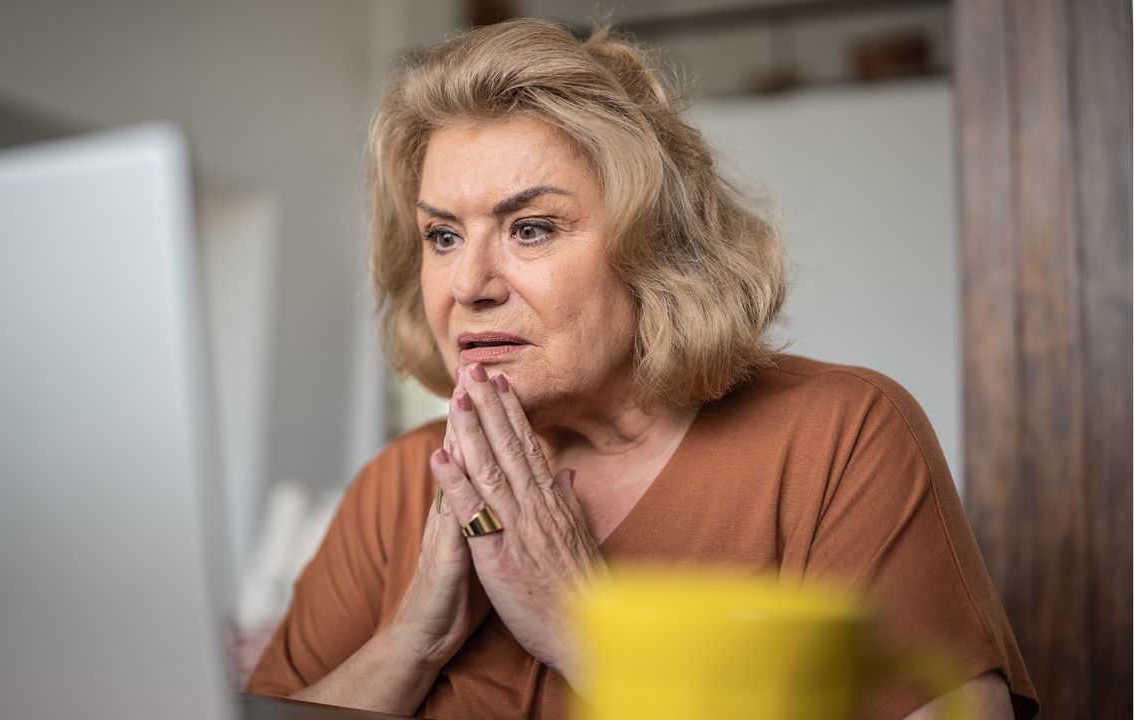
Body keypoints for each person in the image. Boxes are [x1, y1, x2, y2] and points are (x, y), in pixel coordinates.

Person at [247, 18, 1038, 720]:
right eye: (443, 236)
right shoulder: (396, 489)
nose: (467, 285)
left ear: (654, 250)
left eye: (530, 228)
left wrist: (590, 635)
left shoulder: (840, 439)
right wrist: (408, 645)